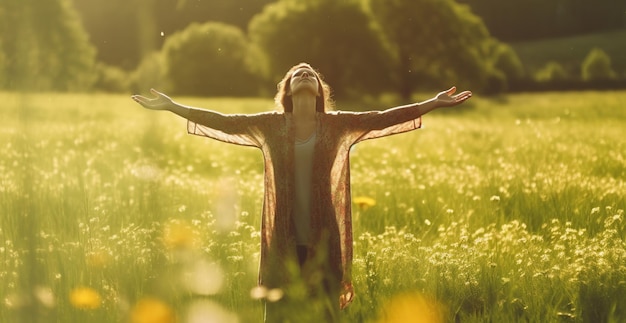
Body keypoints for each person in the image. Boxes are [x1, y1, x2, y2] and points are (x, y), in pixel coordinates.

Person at [131, 62, 472, 322]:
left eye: (311, 73)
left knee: (324, 313)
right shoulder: (271, 124)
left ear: (320, 90)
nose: (305, 74)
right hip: (283, 235)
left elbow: (382, 117)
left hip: (325, 236)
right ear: (288, 90)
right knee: (278, 311)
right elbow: (223, 120)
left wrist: (434, 102)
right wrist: (172, 106)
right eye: (298, 74)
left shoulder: (336, 125)